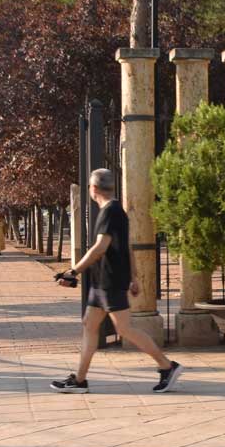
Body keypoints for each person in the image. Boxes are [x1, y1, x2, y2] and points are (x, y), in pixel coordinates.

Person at [51, 168, 183, 394]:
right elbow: (127, 246)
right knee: (90, 325)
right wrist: (134, 276)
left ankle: (167, 366)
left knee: (125, 329)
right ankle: (80, 380)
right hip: (102, 281)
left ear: (93, 189)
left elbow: (100, 248)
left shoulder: (111, 212)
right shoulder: (114, 211)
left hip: (110, 281)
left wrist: (74, 271)